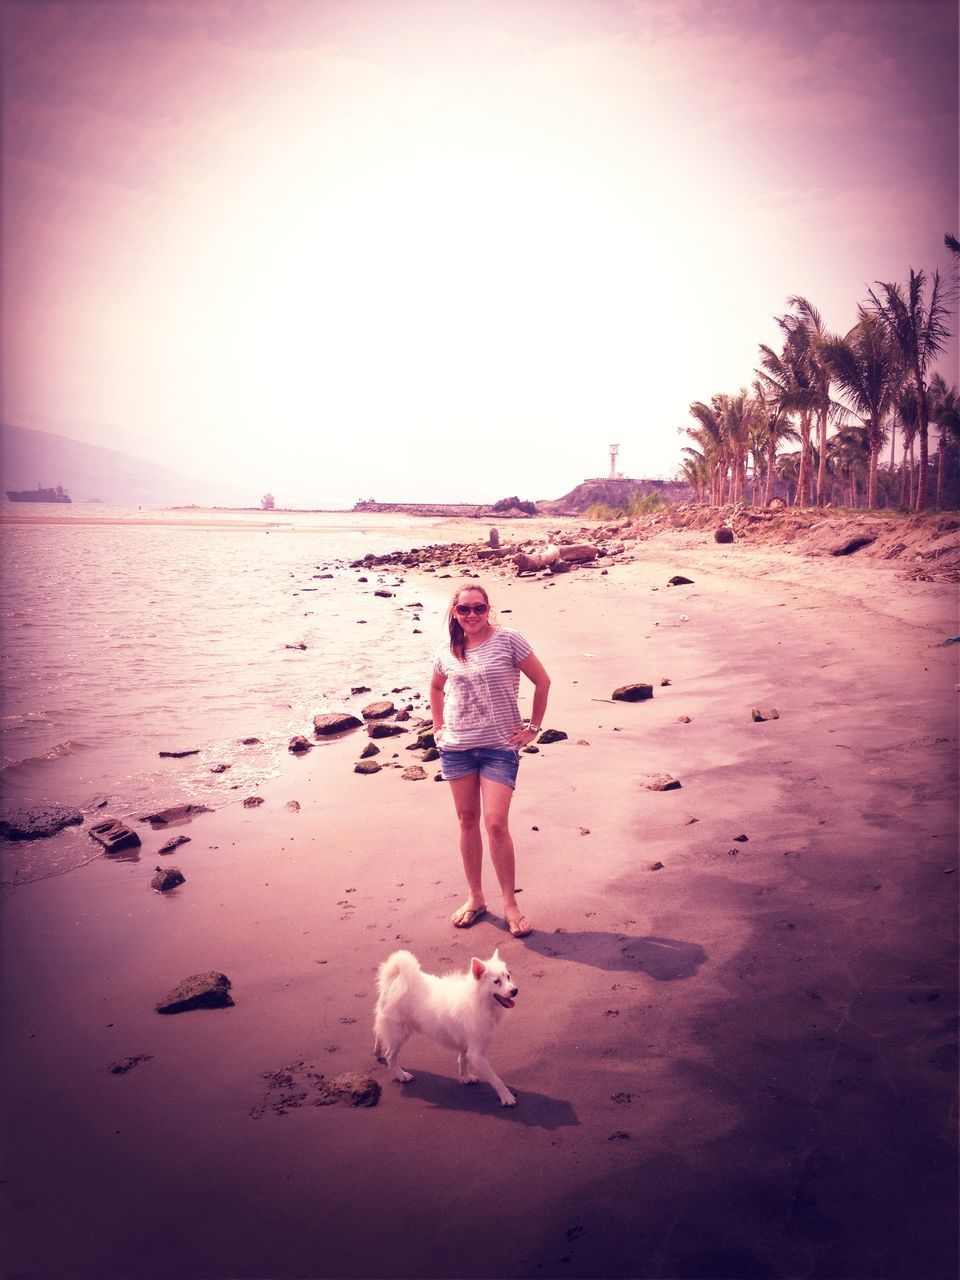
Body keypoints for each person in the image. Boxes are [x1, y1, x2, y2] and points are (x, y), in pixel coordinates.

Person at [429, 584, 550, 938]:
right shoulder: (447, 651)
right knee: (468, 821)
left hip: (499, 747)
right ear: (454, 612)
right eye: (464, 609)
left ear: (488, 609)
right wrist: (438, 726)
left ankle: (510, 903)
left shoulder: (509, 639)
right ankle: (476, 898)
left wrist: (533, 728)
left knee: (496, 823)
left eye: (478, 609)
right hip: (457, 747)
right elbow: (436, 688)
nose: (471, 616)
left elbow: (542, 682)